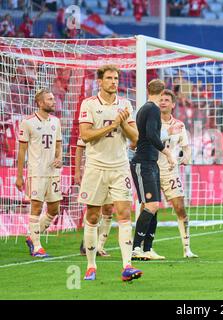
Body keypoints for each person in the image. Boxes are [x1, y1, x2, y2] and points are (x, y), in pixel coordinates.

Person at [78, 65, 142, 281]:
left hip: (119, 167)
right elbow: (85, 135)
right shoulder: (89, 104)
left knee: (124, 214)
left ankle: (127, 266)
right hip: (96, 167)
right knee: (93, 215)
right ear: (100, 81)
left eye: (116, 78)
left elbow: (136, 138)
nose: (113, 82)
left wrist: (122, 122)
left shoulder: (125, 105)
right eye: (109, 78)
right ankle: (91, 265)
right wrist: (112, 124)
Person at [141, 89, 198, 259]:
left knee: (180, 207)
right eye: (161, 99)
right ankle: (141, 245)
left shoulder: (179, 125)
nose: (163, 102)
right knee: (147, 209)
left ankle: (187, 248)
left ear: (173, 104)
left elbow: (186, 146)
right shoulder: (151, 123)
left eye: (167, 100)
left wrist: (186, 157)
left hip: (170, 171)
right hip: (151, 169)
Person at [129, 79, 176, 261]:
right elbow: (151, 134)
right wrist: (168, 152)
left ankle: (147, 248)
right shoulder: (152, 109)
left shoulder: (144, 108)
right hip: (143, 163)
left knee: (154, 206)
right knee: (151, 205)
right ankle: (135, 248)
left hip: (150, 162)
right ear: (162, 92)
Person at [17, 89, 62, 258]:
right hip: (36, 172)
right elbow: (22, 151)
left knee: (54, 209)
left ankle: (32, 237)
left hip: (53, 173)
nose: (53, 101)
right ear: (40, 103)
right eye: (50, 99)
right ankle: (37, 246)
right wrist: (19, 175)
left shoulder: (56, 121)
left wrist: (59, 158)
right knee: (36, 208)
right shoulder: (27, 122)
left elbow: (58, 145)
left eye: (53, 98)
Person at [75, 136, 113, 257]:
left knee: (108, 209)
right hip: (94, 171)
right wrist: (77, 171)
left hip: (113, 171)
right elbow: (80, 147)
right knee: (93, 211)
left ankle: (100, 246)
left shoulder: (118, 121)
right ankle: (87, 245)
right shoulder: (90, 121)